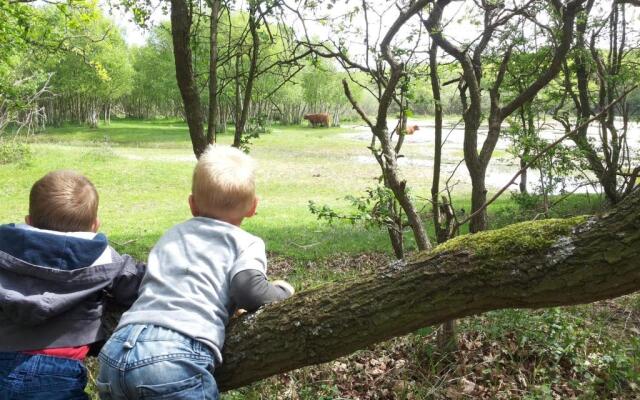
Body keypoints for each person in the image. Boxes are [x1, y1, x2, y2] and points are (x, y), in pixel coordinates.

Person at [97, 145, 295, 400]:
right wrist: (282, 291)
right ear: (253, 207)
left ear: (192, 204)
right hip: (174, 354)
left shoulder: (171, 236)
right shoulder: (245, 242)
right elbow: (248, 289)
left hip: (117, 350)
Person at [0, 170, 145, 400]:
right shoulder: (101, 258)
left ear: (28, 220)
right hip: (58, 369)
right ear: (95, 225)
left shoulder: (4, 248)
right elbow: (135, 285)